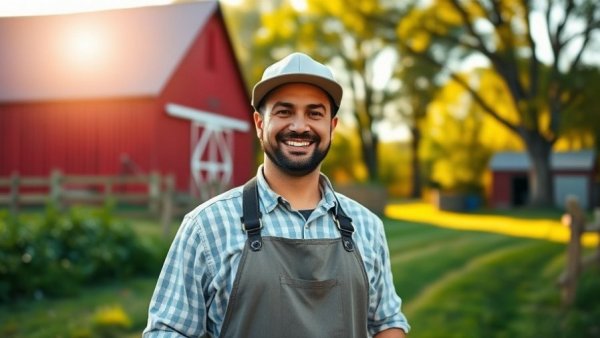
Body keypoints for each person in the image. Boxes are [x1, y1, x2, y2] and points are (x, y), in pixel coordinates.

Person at [143, 52, 410, 338]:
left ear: (331, 127)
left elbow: (386, 322)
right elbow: (167, 331)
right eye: (284, 112)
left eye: (314, 113)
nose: (299, 126)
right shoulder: (206, 226)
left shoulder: (367, 226)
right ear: (260, 124)